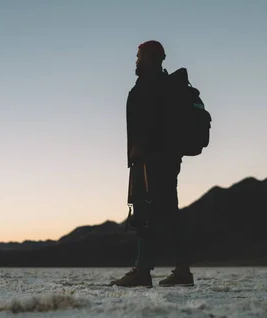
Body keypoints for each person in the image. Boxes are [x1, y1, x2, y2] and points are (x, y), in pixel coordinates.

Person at [109, 40, 194, 287]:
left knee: (145, 212)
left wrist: (140, 148)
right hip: (165, 159)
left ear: (148, 57)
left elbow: (151, 121)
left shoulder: (151, 85)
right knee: (168, 212)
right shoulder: (162, 85)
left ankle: (143, 271)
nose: (135, 61)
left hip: (151, 159)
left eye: (138, 56)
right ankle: (182, 270)